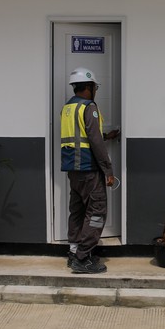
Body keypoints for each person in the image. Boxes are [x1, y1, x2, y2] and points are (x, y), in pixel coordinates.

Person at [60, 67, 119, 274]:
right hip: (89, 169)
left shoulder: (68, 108)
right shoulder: (89, 107)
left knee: (77, 212)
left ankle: (74, 251)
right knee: (97, 211)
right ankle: (83, 258)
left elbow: (82, 137)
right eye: (95, 87)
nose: (95, 90)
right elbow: (94, 141)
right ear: (89, 87)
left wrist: (107, 136)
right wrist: (108, 170)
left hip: (73, 170)